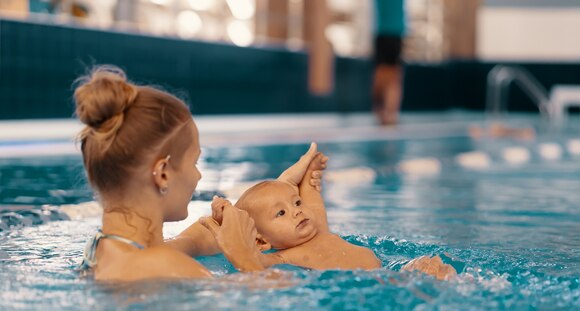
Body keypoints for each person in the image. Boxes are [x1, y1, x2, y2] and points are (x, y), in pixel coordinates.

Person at [74, 65, 320, 281]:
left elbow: (190, 242)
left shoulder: (104, 248)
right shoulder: (166, 266)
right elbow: (275, 294)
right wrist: (244, 255)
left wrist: (279, 195)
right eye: (194, 163)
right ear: (163, 174)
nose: (198, 176)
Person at [209, 143, 456, 280]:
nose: (296, 212)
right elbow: (246, 256)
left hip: (392, 273)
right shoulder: (279, 259)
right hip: (376, 287)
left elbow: (313, 202)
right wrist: (226, 219)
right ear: (261, 240)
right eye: (280, 214)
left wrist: (309, 174)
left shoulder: (318, 231)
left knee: (433, 269)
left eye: (295, 203)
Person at [372, 0, 405, 126]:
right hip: (392, 33)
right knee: (390, 75)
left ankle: (386, 112)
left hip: (387, 33)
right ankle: (388, 113)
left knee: (388, 75)